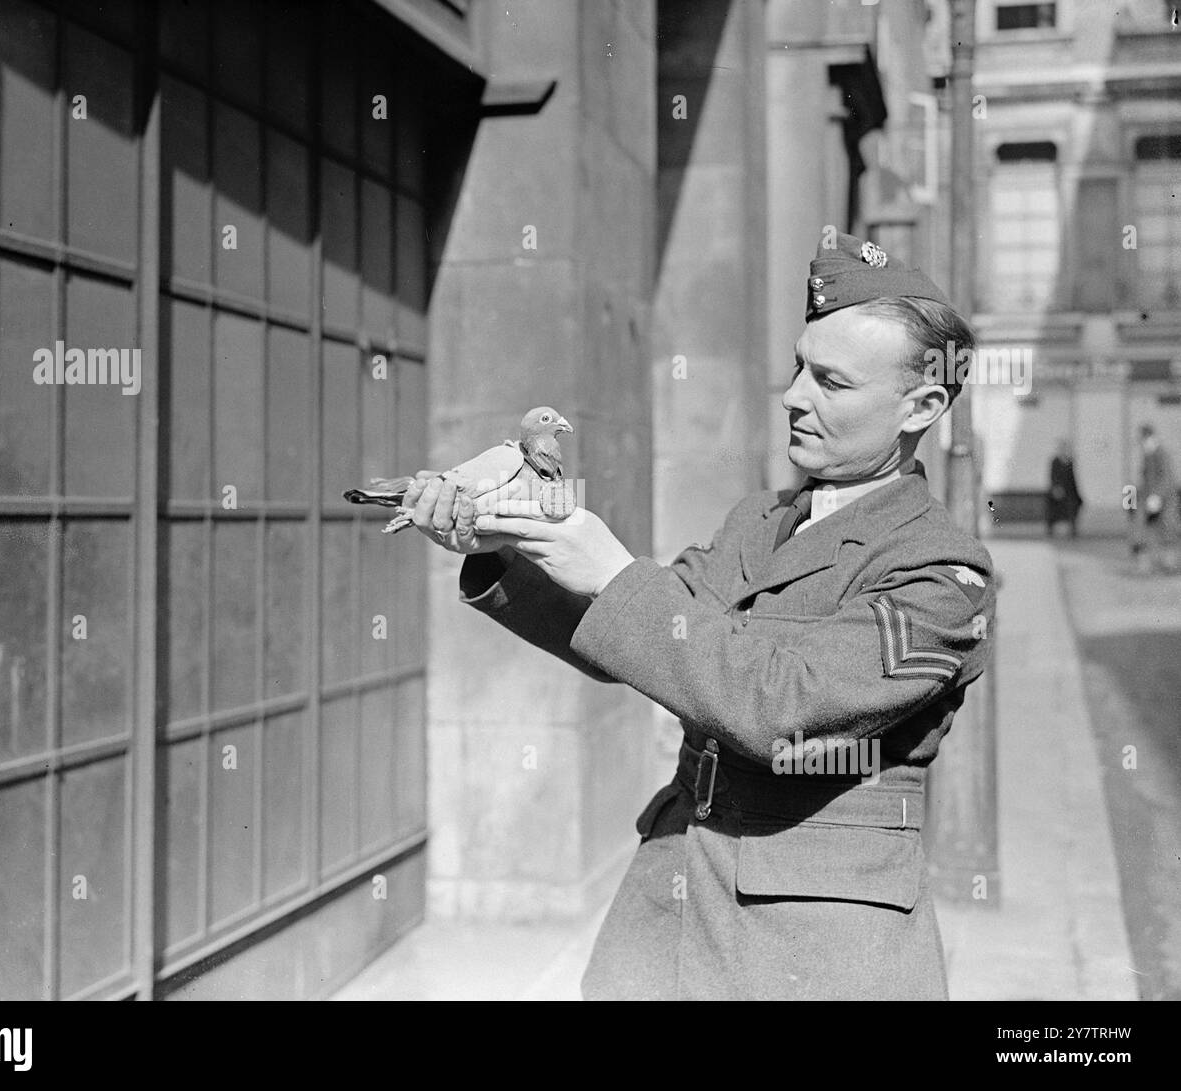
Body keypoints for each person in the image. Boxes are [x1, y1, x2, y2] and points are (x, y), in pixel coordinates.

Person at [401, 232, 995, 1000]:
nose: (793, 396)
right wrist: (505, 547)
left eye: (831, 382)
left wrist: (613, 569)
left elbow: (785, 708)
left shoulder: (943, 572)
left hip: (816, 948)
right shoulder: (759, 518)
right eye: (796, 367)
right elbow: (641, 638)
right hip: (669, 910)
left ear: (923, 404)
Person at [1132, 424, 1178, 574]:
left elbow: (1167, 478)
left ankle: (1169, 563)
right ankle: (1145, 564)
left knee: (1167, 528)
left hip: (1166, 499)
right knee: (1144, 529)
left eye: (1143, 439)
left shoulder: (1161, 454)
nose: (1142, 443)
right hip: (1150, 499)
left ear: (1150, 438)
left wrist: (1156, 496)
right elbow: (1145, 479)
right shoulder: (1147, 456)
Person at [1046, 439, 1082, 537]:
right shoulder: (1056, 461)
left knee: (1075, 504)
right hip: (1059, 490)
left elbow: (1072, 479)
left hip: (1070, 490)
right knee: (1054, 508)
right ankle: (1051, 528)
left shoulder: (1069, 462)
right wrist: (1056, 488)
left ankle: (1073, 527)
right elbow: (1053, 476)